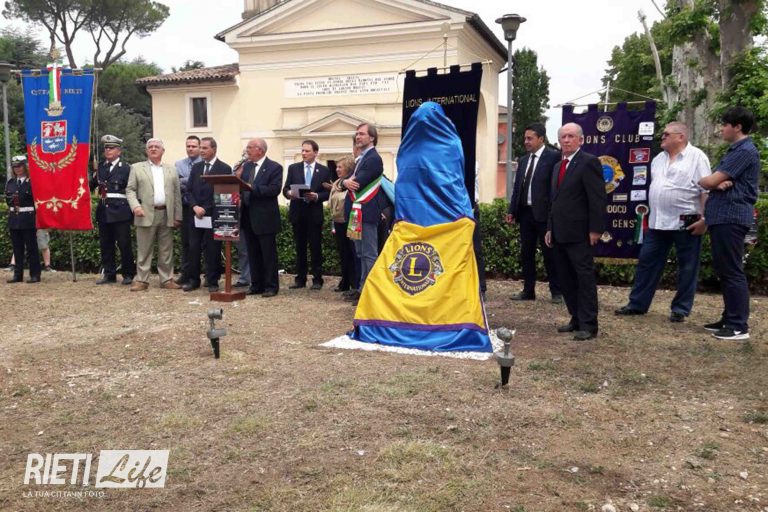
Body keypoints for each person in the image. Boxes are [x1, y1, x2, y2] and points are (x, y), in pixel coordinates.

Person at [615, 122, 711, 322]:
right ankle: (637, 304)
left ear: (681, 137)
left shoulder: (697, 157)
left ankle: (680, 309)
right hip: (658, 220)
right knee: (647, 262)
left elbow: (706, 190)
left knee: (687, 266)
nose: (662, 136)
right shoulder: (658, 159)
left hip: (686, 220)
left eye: (667, 134)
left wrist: (705, 219)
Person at [698, 107, 761, 341]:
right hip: (723, 217)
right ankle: (729, 318)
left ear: (737, 126)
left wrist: (710, 182)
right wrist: (714, 183)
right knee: (725, 270)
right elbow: (715, 181)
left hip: (731, 216)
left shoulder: (744, 151)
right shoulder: (736, 150)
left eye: (725, 124)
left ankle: (737, 325)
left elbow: (709, 180)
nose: (721, 129)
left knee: (732, 271)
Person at [545, 123, 607, 341]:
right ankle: (576, 318)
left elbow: (597, 198)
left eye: (571, 136)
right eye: (563, 137)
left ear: (581, 140)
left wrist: (595, 229)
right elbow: (554, 201)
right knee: (566, 278)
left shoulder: (589, 162)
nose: (566, 140)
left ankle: (589, 324)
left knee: (584, 278)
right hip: (559, 232)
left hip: (580, 233)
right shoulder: (557, 166)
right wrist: (550, 228)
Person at [506, 123, 562, 303]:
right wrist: (512, 210)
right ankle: (528, 290)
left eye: (530, 138)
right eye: (525, 138)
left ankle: (557, 292)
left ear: (541, 139)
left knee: (550, 254)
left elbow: (556, 187)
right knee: (526, 253)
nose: (526, 142)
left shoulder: (553, 157)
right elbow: (517, 188)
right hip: (526, 214)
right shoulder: (523, 160)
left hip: (545, 215)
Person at [126, 138, 183, 291]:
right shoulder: (137, 168)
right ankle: (142, 280)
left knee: (166, 249)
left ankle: (167, 279)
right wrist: (135, 206)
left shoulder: (172, 169)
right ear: (146, 151)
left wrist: (178, 216)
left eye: (157, 146)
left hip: (166, 213)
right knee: (144, 249)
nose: (153, 149)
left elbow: (177, 194)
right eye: (150, 147)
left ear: (163, 151)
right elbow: (130, 190)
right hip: (144, 213)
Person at [341, 123, 387, 301]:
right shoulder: (361, 158)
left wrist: (346, 182)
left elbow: (357, 184)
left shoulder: (373, 158)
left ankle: (370, 292)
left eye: (361, 134)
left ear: (372, 137)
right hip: (356, 213)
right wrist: (345, 182)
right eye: (357, 134)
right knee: (360, 252)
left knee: (369, 253)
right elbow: (344, 182)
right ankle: (362, 287)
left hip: (366, 212)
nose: (358, 137)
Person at [184, 137, 232, 293]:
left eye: (205, 148)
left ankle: (212, 281)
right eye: (201, 148)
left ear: (214, 149)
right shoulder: (196, 167)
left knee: (212, 249)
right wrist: (195, 206)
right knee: (193, 248)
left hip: (213, 215)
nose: (201, 151)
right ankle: (193, 280)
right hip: (195, 215)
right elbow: (188, 190)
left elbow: (224, 193)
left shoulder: (224, 168)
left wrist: (206, 208)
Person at [282, 139, 331, 290]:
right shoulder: (293, 168)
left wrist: (317, 196)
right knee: (300, 248)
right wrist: (289, 193)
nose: (303, 153)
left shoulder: (324, 170)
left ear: (315, 153)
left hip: (314, 213)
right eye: (302, 150)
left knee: (315, 248)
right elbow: (285, 189)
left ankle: (317, 279)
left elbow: (328, 192)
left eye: (307, 151)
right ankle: (300, 279)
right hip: (298, 212)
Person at [89, 134, 136, 285]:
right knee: (106, 244)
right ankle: (109, 274)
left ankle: (128, 273)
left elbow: (132, 189)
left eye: (112, 148)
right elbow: (91, 186)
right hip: (104, 211)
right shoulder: (101, 167)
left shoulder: (127, 168)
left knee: (124, 244)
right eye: (106, 148)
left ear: (119, 151)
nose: (108, 150)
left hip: (121, 211)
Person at [239, 138, 282, 298]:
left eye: (250, 147)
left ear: (260, 150)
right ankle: (256, 284)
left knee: (268, 254)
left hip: (265, 218)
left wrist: (253, 188)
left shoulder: (274, 167)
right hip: (248, 216)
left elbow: (274, 189)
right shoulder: (247, 167)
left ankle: (271, 286)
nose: (247, 150)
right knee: (252, 253)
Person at [5, 155, 40, 283]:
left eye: (19, 166)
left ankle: (35, 274)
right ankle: (17, 275)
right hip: (14, 219)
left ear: (26, 167)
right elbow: (8, 201)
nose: (17, 169)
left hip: (28, 218)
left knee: (31, 248)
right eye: (15, 167)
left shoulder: (32, 182)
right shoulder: (11, 183)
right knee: (17, 248)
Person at [327, 155, 359, 293]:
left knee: (353, 253)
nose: (337, 169)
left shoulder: (353, 182)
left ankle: (355, 284)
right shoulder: (337, 183)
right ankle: (345, 281)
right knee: (343, 253)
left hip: (351, 221)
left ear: (348, 168)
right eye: (337, 167)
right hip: (338, 221)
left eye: (340, 167)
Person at [174, 135, 202, 286]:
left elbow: (200, 184)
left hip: (203, 208)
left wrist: (186, 180)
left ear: (199, 147)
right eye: (188, 146)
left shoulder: (205, 163)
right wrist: (191, 181)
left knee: (204, 244)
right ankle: (186, 274)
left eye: (193, 146)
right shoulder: (179, 164)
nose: (190, 149)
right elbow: (177, 184)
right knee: (186, 243)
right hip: (186, 208)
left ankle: (208, 276)